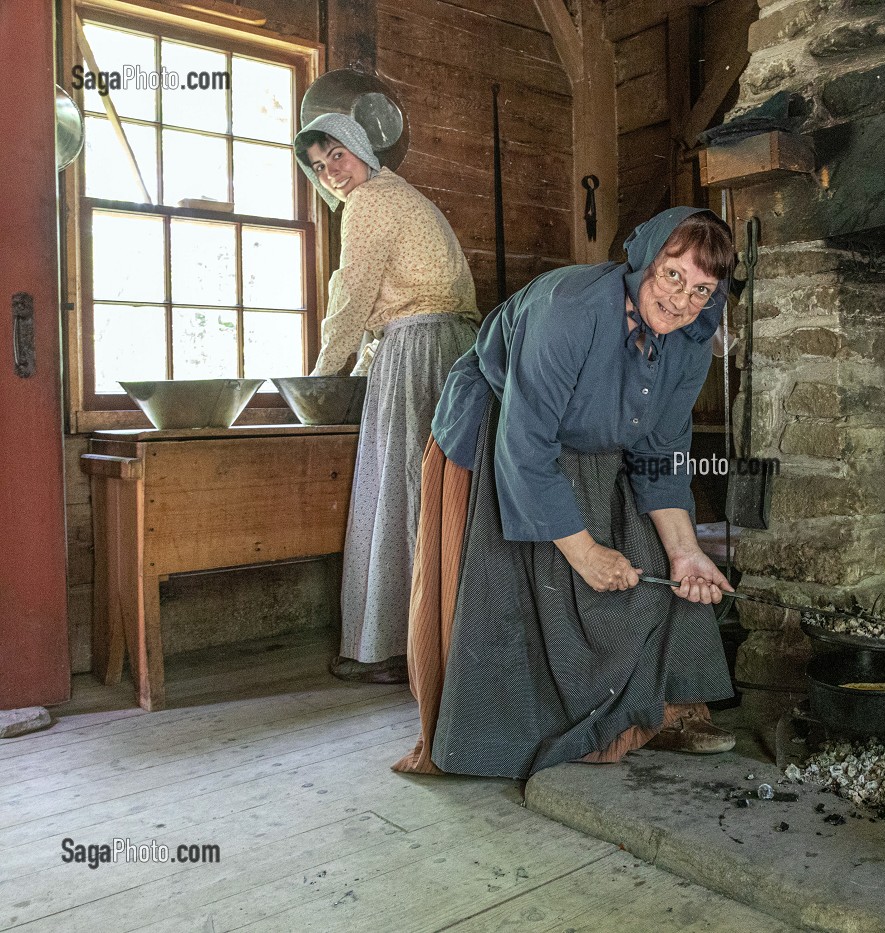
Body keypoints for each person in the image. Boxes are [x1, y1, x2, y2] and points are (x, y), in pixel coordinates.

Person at [393, 206, 738, 778]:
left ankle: (660, 711)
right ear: (645, 261)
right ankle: (494, 738)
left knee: (655, 556)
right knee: (513, 574)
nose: (681, 301)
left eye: (702, 290)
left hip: (598, 436)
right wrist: (584, 552)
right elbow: (526, 448)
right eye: (672, 275)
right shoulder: (569, 310)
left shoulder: (690, 341)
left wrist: (686, 551)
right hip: (497, 427)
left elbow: (662, 454)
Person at [294, 113, 481, 683]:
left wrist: (325, 375)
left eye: (338, 159)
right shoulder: (402, 195)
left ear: (360, 152)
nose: (332, 175)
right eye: (320, 169)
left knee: (398, 488)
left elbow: (352, 296)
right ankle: (441, 642)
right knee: (436, 490)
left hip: (418, 349)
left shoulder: (371, 201)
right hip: (453, 346)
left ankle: (396, 649)